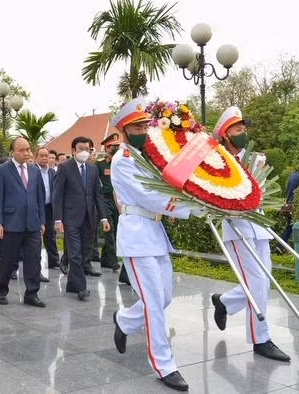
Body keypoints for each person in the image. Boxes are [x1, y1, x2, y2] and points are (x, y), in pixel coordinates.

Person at [109, 99, 193, 391]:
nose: (143, 130)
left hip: (155, 234)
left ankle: (124, 321)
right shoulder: (122, 160)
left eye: (145, 124)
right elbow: (147, 196)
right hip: (136, 237)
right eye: (137, 126)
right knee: (155, 303)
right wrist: (188, 206)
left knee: (164, 297)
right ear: (123, 131)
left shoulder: (148, 156)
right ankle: (164, 364)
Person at [209, 106, 291, 362]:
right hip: (237, 228)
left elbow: (262, 194)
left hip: (259, 227)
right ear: (225, 134)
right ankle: (260, 339)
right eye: (237, 129)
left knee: (263, 282)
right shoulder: (217, 160)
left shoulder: (256, 159)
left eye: (244, 129)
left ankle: (224, 302)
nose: (242, 133)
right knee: (255, 283)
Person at [53, 136, 110, 301]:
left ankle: (72, 284)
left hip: (88, 218)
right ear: (73, 151)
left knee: (84, 252)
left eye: (88, 149)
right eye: (81, 149)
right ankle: (81, 288)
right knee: (75, 254)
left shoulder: (92, 169)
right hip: (70, 218)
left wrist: (103, 218)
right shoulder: (64, 168)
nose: (84, 152)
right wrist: (58, 219)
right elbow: (57, 195)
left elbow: (97, 195)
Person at [0, 137, 46, 307]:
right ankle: (1, 291)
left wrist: (42, 221)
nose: (26, 153)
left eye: (28, 149)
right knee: (8, 260)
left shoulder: (35, 171)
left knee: (33, 260)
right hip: (10, 223)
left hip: (32, 224)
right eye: (22, 150)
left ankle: (32, 293)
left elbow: (40, 198)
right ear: (12, 152)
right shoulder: (2, 170)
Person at [96, 133, 121, 272]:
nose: (116, 148)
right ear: (106, 148)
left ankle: (105, 259)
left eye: (118, 145)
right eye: (113, 146)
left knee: (116, 230)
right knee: (109, 230)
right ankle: (113, 261)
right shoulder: (100, 165)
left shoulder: (121, 162)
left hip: (117, 201)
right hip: (105, 200)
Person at [35, 147, 60, 270]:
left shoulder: (52, 172)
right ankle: (35, 263)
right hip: (36, 208)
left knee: (50, 234)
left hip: (49, 207)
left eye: (47, 156)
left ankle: (54, 260)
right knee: (36, 237)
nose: (45, 158)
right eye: (42, 156)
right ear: (36, 157)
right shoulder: (32, 171)